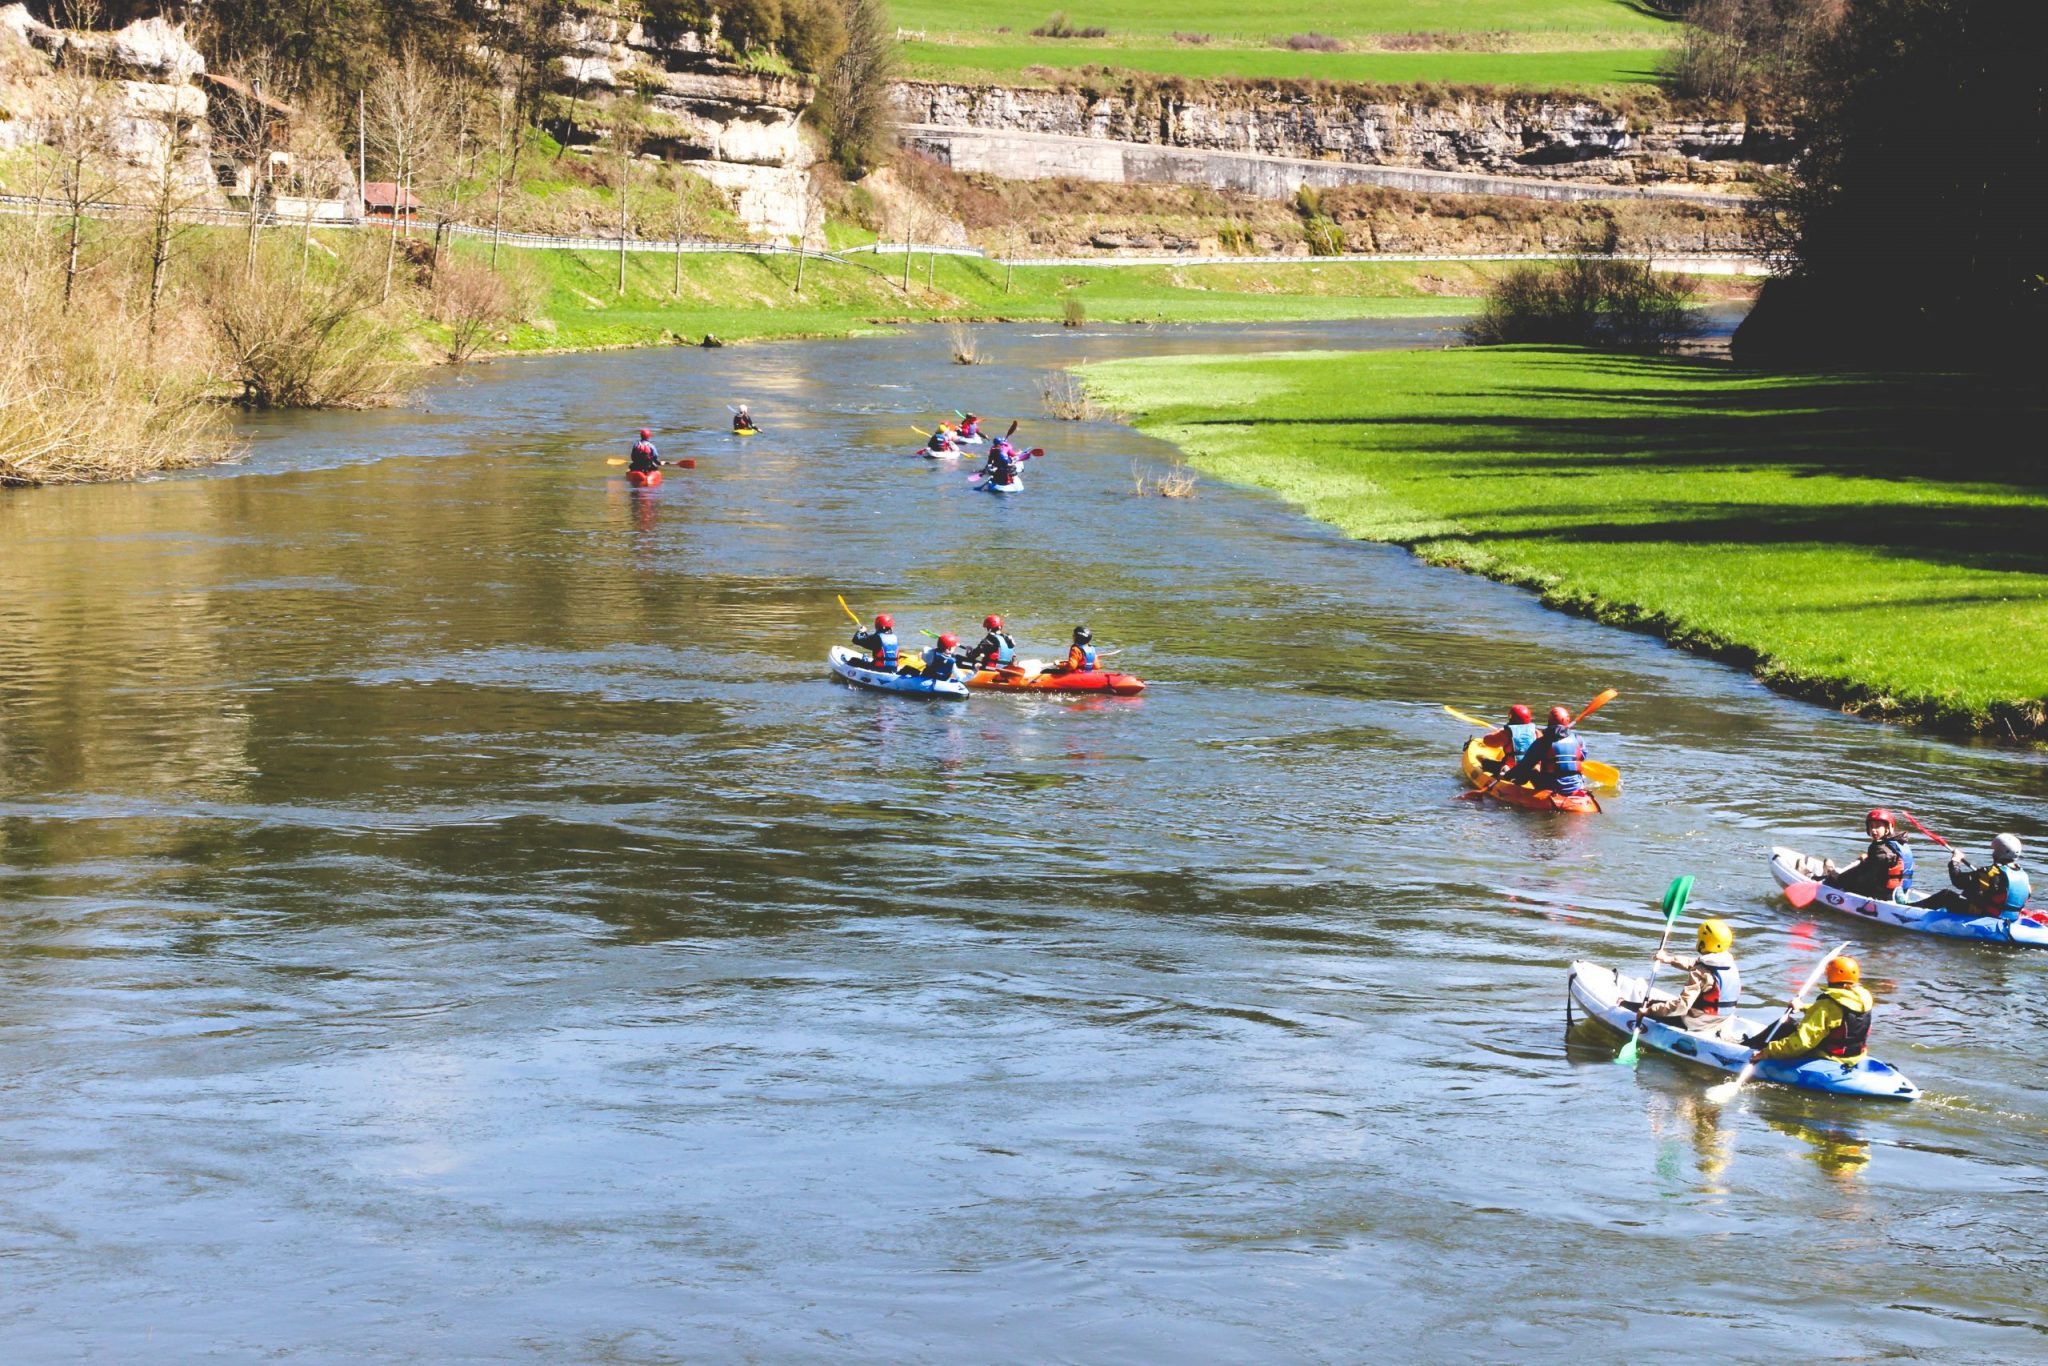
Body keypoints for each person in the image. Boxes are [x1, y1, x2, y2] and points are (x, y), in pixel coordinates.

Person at [1747, 955, 1875, 1066]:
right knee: (1790, 1025)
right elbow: (1836, 1017)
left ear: (1829, 976)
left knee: (1786, 1024)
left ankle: (1747, 1049)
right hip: (1855, 1056)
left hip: (1828, 1057)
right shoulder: (1863, 999)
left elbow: (1802, 1043)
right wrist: (1802, 1007)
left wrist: (1767, 1052)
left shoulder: (1827, 1005)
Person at [1628, 919, 1742, 1031]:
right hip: (1721, 1021)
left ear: (1704, 943)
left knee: (1650, 1005)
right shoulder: (1730, 965)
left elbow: (1682, 1006)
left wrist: (1650, 1011)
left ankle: (1621, 1004)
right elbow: (1695, 964)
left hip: (1696, 1023)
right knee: (1656, 1004)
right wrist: (1669, 959)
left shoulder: (1699, 972)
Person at [1915, 834, 2031, 922]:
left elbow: (1958, 881)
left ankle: (1908, 908)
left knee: (1946, 895)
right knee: (1974, 891)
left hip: (1988, 916)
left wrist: (1955, 861)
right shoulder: (2023, 874)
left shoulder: (1990, 872)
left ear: (1998, 852)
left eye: (1994, 850)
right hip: (2011, 917)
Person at [1820, 808, 1915, 900]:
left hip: (1881, 894)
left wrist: (1839, 877)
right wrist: (1868, 859)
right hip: (1899, 891)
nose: (1873, 830)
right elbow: (1885, 860)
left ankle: (1829, 875)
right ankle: (1832, 873)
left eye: (1878, 826)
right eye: (1871, 826)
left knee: (1836, 880)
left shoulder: (1879, 850)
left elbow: (1863, 874)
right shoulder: (1899, 843)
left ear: (1888, 828)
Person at [1503, 705, 1590, 799]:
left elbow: (1524, 766)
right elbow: (1582, 757)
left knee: (1532, 770)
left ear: (1549, 721)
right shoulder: (1579, 739)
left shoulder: (1542, 742)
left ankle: (1515, 788)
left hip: (1552, 787)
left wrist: (1507, 776)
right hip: (1577, 786)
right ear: (1567, 721)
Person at [1478, 704, 1540, 775]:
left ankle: (1505, 771)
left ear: (1511, 717)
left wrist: (1500, 731)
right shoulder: (1537, 733)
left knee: (1484, 761)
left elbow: (1486, 741)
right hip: (1530, 768)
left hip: (1512, 769)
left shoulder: (1506, 734)